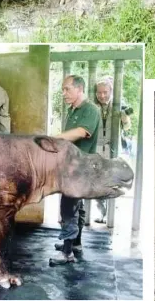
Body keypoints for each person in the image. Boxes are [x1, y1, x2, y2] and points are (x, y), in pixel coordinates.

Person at [49, 74, 101, 266]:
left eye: (67, 89)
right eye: (63, 89)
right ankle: (76, 243)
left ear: (79, 89)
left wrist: (55, 138)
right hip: (72, 165)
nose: (64, 93)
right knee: (76, 207)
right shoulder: (73, 110)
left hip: (79, 168)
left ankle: (67, 253)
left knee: (68, 207)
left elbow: (82, 132)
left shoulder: (90, 109)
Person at [93, 77, 133, 223]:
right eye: (99, 92)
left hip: (113, 151)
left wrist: (124, 118)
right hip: (97, 152)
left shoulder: (119, 105)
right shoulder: (92, 106)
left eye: (105, 92)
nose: (102, 96)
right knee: (97, 186)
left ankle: (111, 216)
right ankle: (103, 213)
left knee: (112, 184)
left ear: (111, 91)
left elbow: (128, 127)